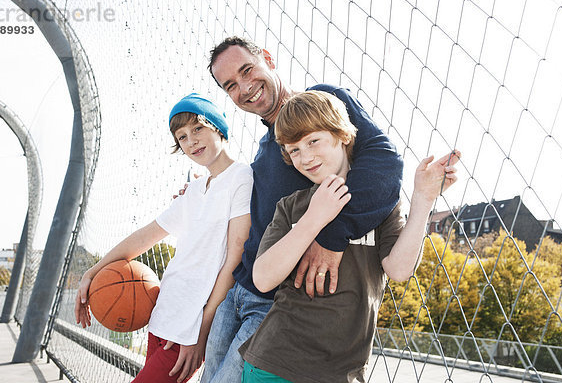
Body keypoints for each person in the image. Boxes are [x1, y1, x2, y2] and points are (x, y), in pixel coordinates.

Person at [201, 37, 404, 383]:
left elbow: (385, 164)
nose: (245, 87)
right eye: (230, 85)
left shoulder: (325, 101)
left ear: (268, 58)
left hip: (274, 302)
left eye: (247, 70)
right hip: (238, 289)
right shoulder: (267, 150)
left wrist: (333, 234)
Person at [239, 90, 460, 382]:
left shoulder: (379, 203)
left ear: (342, 135)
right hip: (276, 363)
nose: (305, 157)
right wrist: (314, 218)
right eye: (294, 150)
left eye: (313, 141)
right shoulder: (292, 206)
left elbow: (399, 269)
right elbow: (264, 278)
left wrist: (423, 200)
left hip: (341, 372)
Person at [74, 93, 253, 383]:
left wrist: (201, 332)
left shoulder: (241, 177)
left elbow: (234, 257)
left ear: (218, 127)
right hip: (163, 314)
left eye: (198, 129)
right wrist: (92, 273)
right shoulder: (194, 190)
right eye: (182, 137)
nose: (191, 141)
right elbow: (144, 236)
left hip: (189, 327)